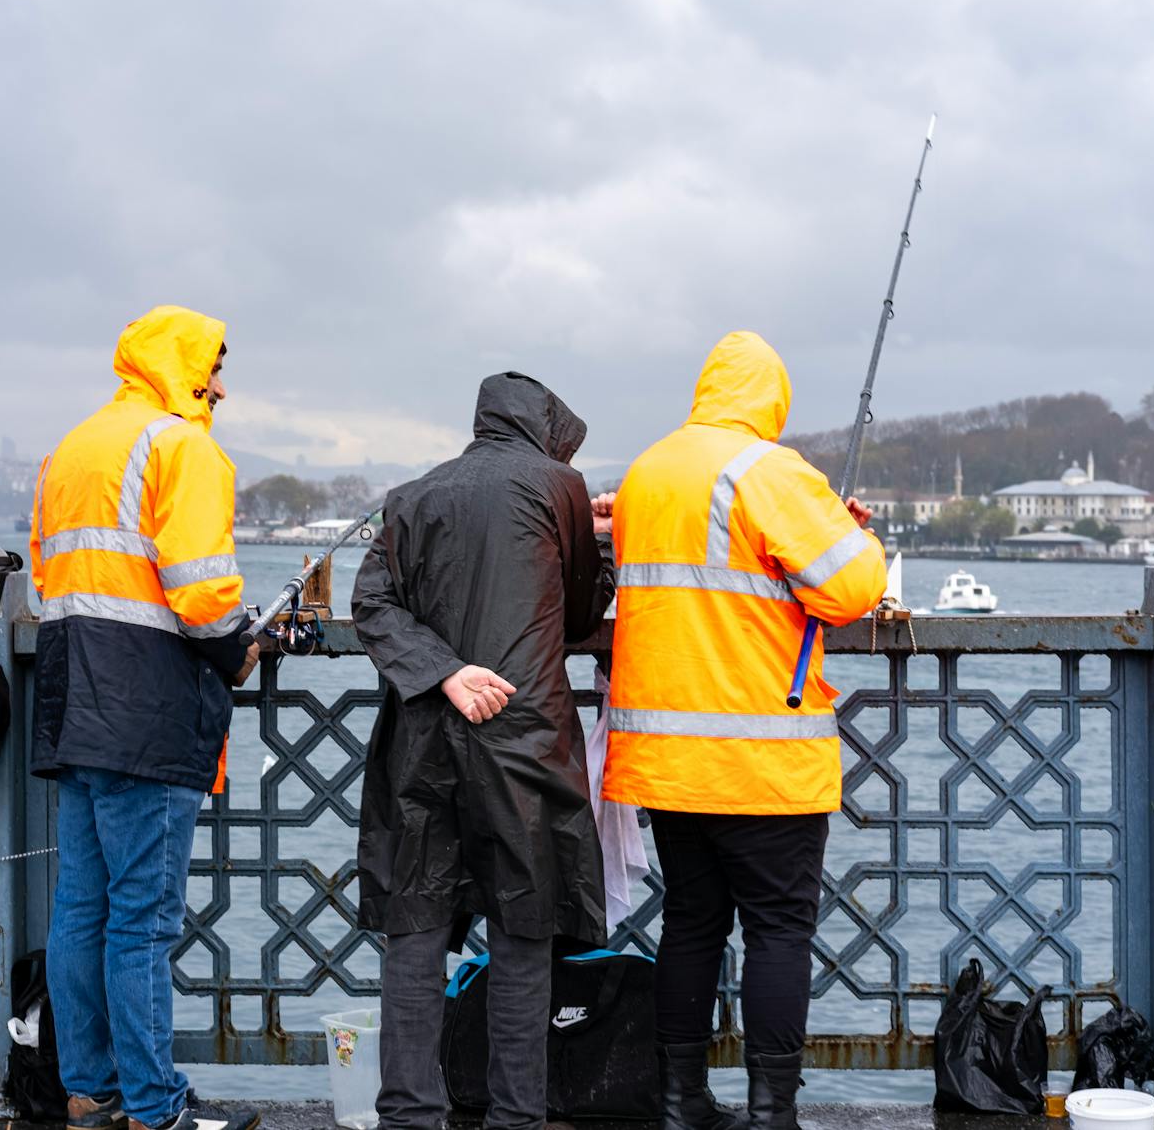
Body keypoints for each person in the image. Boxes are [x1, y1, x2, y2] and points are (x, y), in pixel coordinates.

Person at [600, 332, 886, 1130]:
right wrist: (848, 530)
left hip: (665, 753)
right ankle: (771, 1113)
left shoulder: (648, 472)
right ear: (771, 399)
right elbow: (852, 585)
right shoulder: (771, 470)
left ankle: (680, 1101)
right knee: (778, 931)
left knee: (691, 921)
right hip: (760, 756)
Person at [353, 372, 617, 1130]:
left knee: (418, 925)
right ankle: (514, 1116)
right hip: (523, 737)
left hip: (425, 735)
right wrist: (595, 543)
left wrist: (444, 671)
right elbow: (574, 611)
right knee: (523, 932)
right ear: (543, 426)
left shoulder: (415, 495)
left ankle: (409, 1116)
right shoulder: (557, 483)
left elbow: (370, 602)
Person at [29, 304, 262, 1130]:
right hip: (148, 712)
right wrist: (242, 648)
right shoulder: (181, 446)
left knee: (80, 910)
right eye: (215, 370)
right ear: (185, 368)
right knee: (142, 920)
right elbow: (201, 591)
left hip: (71, 705)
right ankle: (156, 1108)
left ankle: (91, 1091)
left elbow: (47, 580)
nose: (221, 387)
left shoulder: (71, 449)